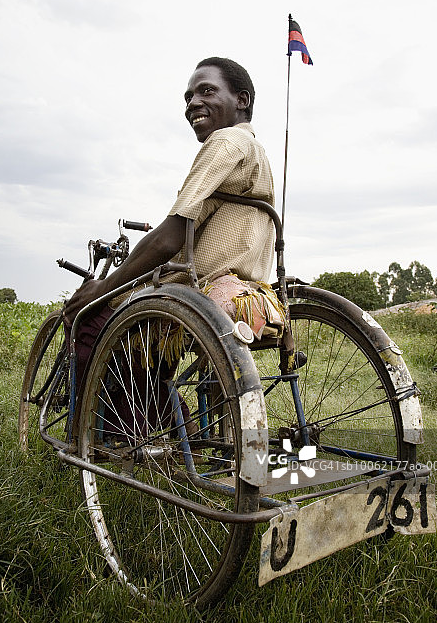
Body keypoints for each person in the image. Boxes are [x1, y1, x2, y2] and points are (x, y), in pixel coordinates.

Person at [63, 56, 277, 401]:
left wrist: (104, 287)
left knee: (87, 319)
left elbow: (169, 238)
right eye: (188, 97)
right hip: (240, 286)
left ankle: (110, 428)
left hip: (196, 289)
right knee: (146, 367)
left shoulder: (226, 142)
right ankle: (167, 418)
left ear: (241, 100)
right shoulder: (255, 151)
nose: (193, 103)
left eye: (206, 91)